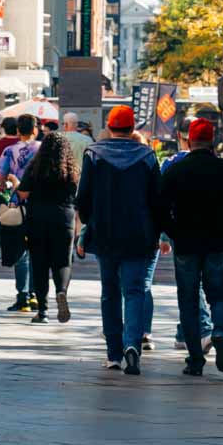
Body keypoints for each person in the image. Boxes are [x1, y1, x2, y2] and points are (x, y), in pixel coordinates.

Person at [77, 104, 164, 376]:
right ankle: (133, 346)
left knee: (110, 293)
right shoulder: (148, 156)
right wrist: (159, 231)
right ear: (132, 128)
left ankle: (114, 354)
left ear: (109, 127)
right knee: (135, 291)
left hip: (105, 234)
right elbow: (157, 201)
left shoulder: (94, 155)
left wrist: (87, 227)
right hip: (139, 235)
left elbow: (83, 198)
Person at [160, 116, 223, 377]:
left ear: (189, 140)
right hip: (216, 242)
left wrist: (173, 232)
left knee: (188, 300)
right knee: (218, 295)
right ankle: (219, 332)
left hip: (186, 244)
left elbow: (161, 208)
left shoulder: (176, 170)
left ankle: (195, 360)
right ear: (211, 141)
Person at [17, 132, 80, 323]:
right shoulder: (72, 169)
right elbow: (78, 195)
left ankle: (43, 312)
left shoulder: (35, 167)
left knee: (39, 264)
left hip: (38, 218)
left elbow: (23, 193)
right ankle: (61, 291)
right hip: (64, 218)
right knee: (63, 261)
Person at [162, 123, 213, 355]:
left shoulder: (171, 165)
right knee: (201, 286)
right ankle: (186, 334)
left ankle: (201, 331)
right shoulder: (217, 164)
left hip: (182, 235)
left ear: (183, 139)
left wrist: (167, 233)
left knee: (188, 288)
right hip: (214, 235)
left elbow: (163, 204)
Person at [0, 115, 41, 311]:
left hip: (16, 204)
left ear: (17, 130)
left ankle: (22, 296)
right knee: (37, 250)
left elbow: (0, 177)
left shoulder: (8, 151)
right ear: (35, 129)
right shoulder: (42, 149)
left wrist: (1, 190)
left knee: (20, 251)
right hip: (39, 204)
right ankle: (35, 295)